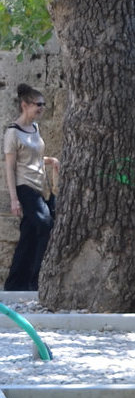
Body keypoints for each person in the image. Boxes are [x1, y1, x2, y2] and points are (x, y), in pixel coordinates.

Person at [4, 85, 58, 291]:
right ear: (24, 105)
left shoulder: (35, 128)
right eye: (38, 105)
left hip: (40, 186)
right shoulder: (12, 133)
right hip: (24, 187)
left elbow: (32, 158)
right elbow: (10, 166)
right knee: (46, 225)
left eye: (43, 104)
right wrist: (14, 199)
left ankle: (15, 285)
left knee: (28, 235)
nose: (42, 108)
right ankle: (37, 281)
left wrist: (49, 160)